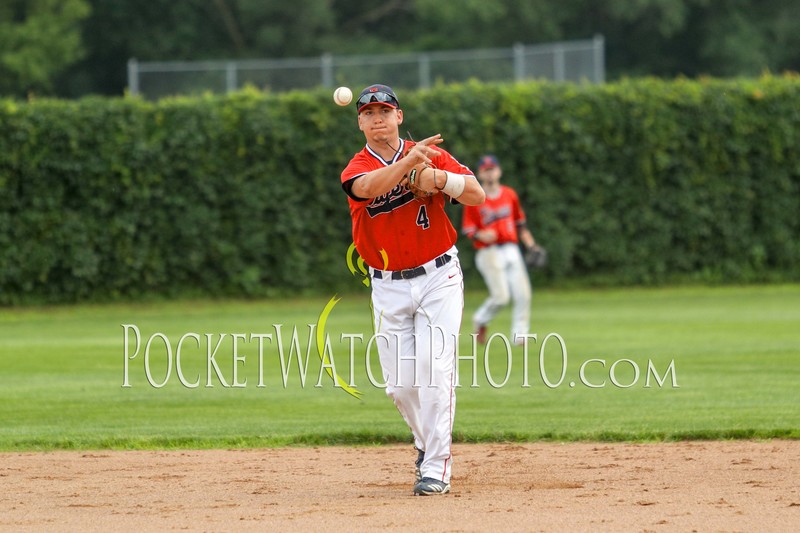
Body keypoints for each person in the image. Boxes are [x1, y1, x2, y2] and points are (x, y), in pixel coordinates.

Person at [340, 84, 485, 496]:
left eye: (385, 110)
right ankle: (425, 442)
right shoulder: (356, 168)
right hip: (387, 287)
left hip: (439, 276)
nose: (377, 118)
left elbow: (477, 193)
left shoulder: (429, 156)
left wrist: (439, 178)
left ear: (399, 116)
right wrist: (408, 168)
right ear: (360, 123)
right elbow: (368, 190)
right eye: (368, 113)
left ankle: (437, 468)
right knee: (400, 386)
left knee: (437, 371)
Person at [461, 154, 535, 346]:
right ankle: (481, 319)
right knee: (501, 297)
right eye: (486, 170)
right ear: (480, 174)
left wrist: (531, 245)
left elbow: (521, 223)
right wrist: (480, 235)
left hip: (511, 248)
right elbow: (468, 228)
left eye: (492, 168)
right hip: (489, 252)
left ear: (499, 171)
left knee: (523, 294)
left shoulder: (509, 194)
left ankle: (520, 335)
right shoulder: (475, 196)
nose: (490, 172)